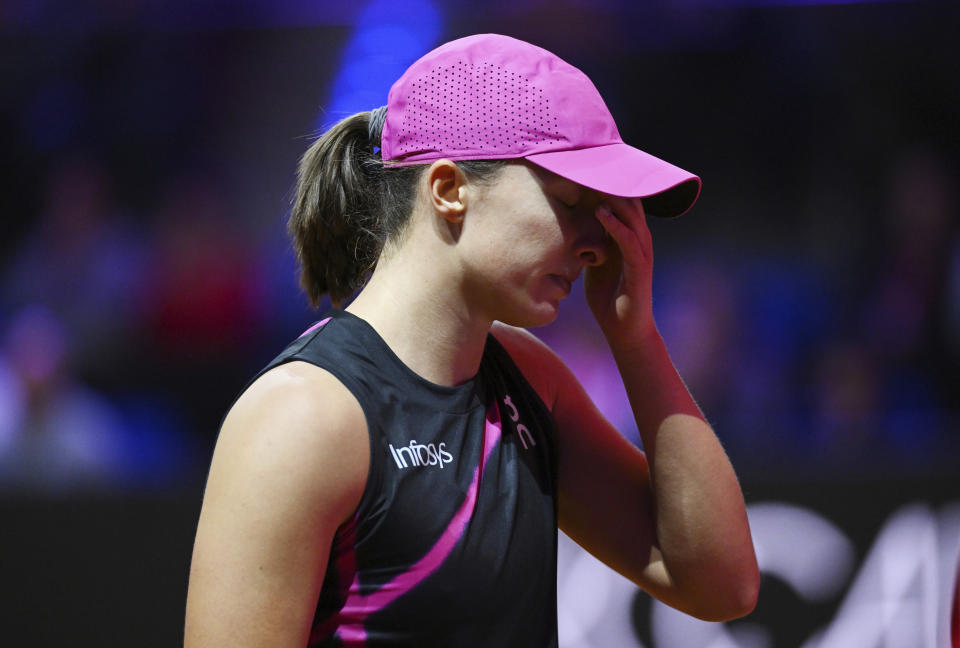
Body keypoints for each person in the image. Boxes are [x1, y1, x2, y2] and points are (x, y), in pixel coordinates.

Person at [184, 33, 759, 647]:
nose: (598, 245)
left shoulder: (533, 383)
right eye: (572, 203)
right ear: (449, 190)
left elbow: (721, 586)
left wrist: (636, 337)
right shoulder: (303, 416)